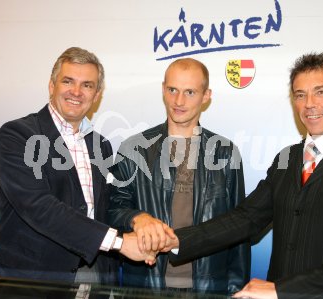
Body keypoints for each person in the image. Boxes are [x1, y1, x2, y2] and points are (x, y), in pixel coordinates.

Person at [165, 52, 323, 299]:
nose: (309, 104)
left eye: (320, 92)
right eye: (300, 95)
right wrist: (174, 241)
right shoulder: (287, 158)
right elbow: (246, 218)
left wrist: (280, 290)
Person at [0, 47, 157, 285]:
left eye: (87, 85)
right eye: (68, 81)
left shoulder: (100, 145)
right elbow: (39, 207)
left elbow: (105, 208)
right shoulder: (18, 135)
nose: (76, 91)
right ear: (52, 86)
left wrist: (139, 220)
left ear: (97, 95)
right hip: (32, 280)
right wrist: (121, 243)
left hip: (94, 277)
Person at [107, 58, 250, 294]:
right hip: (146, 288)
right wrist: (137, 217)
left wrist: (236, 291)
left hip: (208, 290)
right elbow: (111, 210)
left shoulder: (226, 153)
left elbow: (239, 229)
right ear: (163, 89)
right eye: (173, 90)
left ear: (206, 96)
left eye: (190, 92)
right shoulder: (134, 149)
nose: (179, 101)